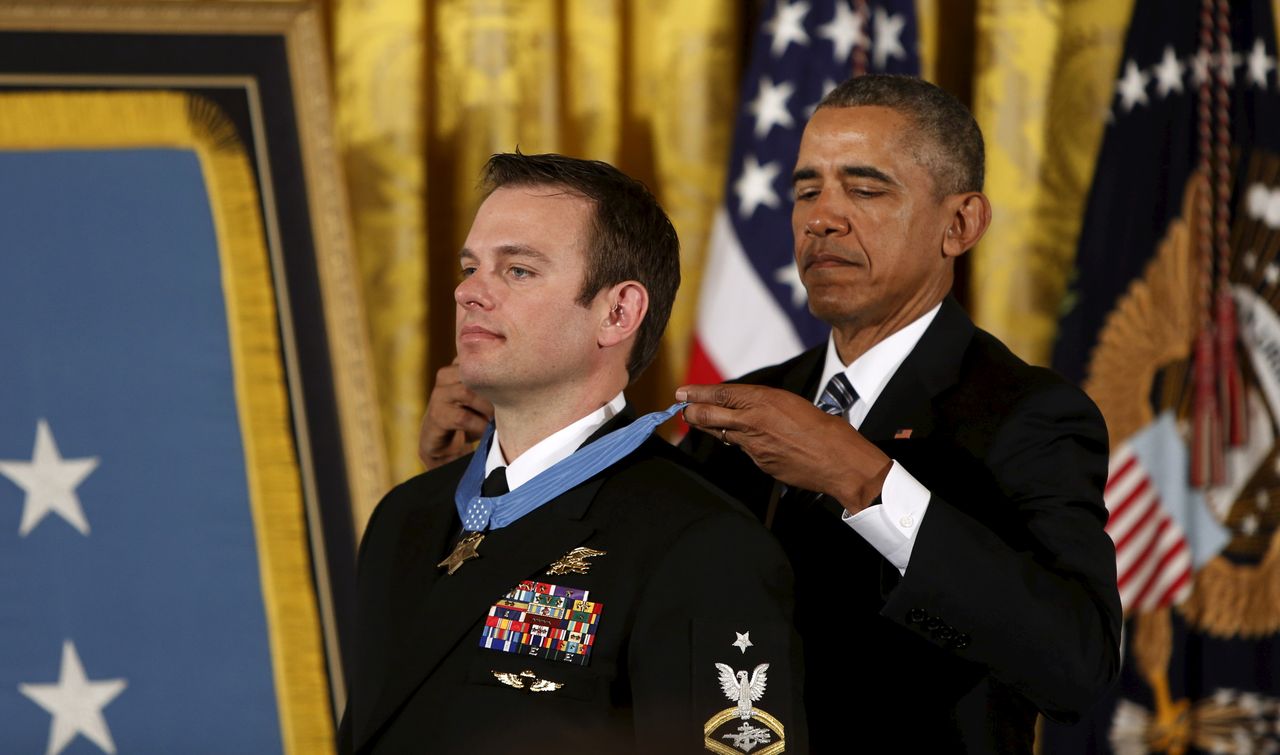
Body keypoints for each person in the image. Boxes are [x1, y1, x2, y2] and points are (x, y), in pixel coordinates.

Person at [675, 75, 1122, 751]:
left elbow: (1077, 664)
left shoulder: (1029, 413)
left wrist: (867, 482)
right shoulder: (745, 403)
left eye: (864, 188)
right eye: (805, 190)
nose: (821, 217)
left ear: (960, 223)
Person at [342, 152, 805, 754]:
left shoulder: (702, 544)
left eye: (519, 271)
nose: (469, 293)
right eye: (470, 266)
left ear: (618, 313)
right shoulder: (405, 516)